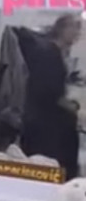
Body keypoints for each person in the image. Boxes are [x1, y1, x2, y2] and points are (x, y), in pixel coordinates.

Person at [19, 13, 82, 180]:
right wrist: (71, 107)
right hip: (46, 129)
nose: (78, 32)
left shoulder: (53, 53)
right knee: (48, 173)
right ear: (62, 29)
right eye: (75, 27)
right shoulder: (49, 54)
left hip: (46, 124)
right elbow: (48, 93)